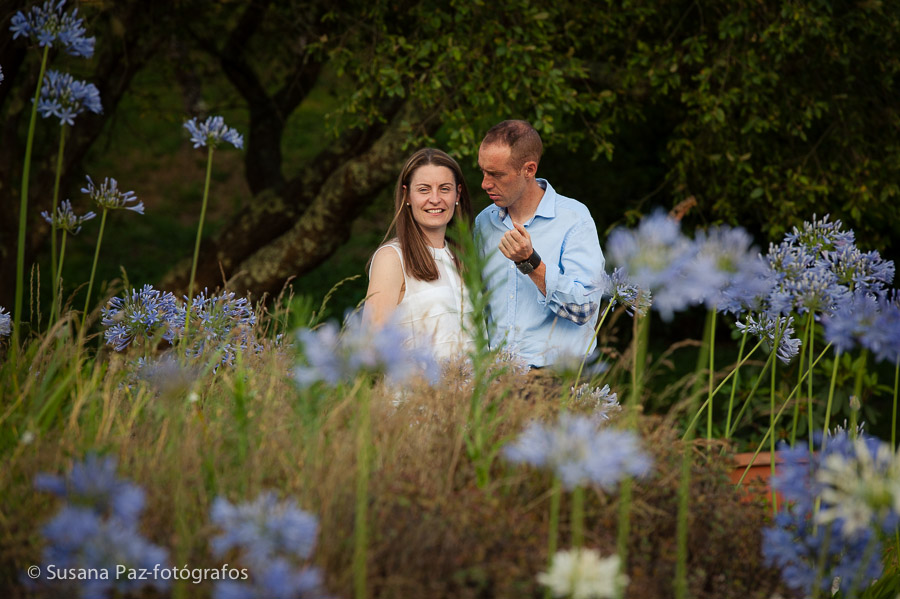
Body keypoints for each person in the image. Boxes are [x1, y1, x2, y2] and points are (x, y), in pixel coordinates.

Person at [474, 120, 605, 368]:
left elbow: (585, 309)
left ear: (529, 170)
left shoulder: (574, 219)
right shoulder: (484, 222)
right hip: (496, 380)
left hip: (555, 381)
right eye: (483, 171)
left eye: (496, 174)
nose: (485, 183)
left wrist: (531, 263)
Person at [363, 148, 475, 361]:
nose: (435, 199)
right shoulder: (392, 258)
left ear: (457, 194)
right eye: (424, 190)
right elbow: (371, 346)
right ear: (407, 195)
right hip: (418, 393)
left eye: (445, 189)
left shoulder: (463, 258)